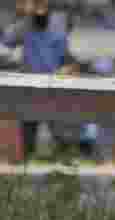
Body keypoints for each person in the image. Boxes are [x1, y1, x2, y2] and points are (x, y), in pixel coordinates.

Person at [1, 2, 70, 161]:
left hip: (53, 88)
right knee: (28, 132)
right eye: (36, 9)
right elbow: (7, 40)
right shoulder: (25, 27)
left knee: (58, 132)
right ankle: (27, 162)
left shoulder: (58, 30)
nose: (40, 13)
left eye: (43, 8)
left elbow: (65, 58)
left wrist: (64, 71)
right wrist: (24, 17)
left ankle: (61, 164)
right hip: (30, 89)